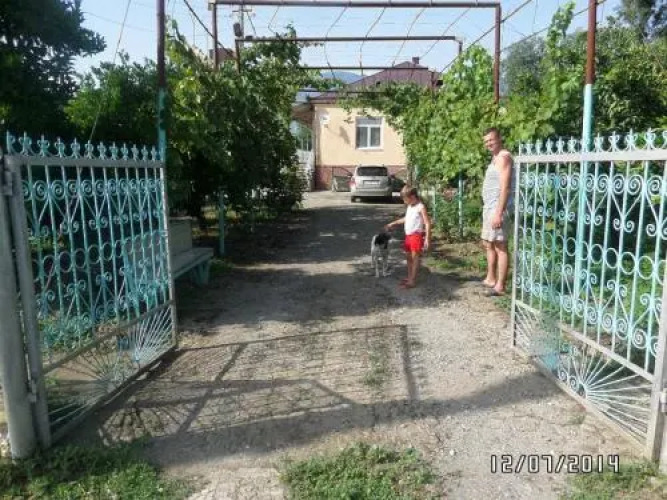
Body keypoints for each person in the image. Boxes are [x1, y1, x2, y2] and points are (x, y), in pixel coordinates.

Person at [481, 127, 514, 296]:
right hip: (490, 207)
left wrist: (499, 213)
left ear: (499, 139)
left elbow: (505, 188)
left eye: (491, 140)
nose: (489, 143)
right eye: (486, 141)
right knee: (489, 243)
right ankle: (491, 278)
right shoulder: (495, 158)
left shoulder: (503, 157)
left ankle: (500, 285)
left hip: (497, 208)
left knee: (500, 246)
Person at [385, 186, 431, 289]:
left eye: (405, 199)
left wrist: (427, 238)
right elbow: (407, 218)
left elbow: (427, 223)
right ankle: (410, 277)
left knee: (414, 258)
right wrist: (394, 223)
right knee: (408, 258)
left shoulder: (420, 207)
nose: (404, 201)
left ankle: (412, 281)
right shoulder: (410, 206)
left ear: (412, 196)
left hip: (416, 236)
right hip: (408, 236)